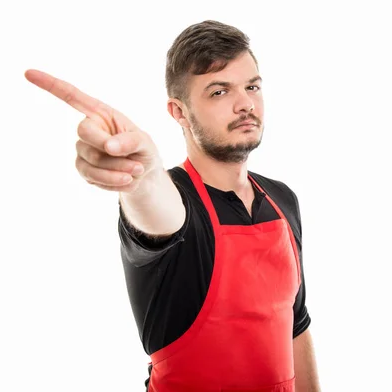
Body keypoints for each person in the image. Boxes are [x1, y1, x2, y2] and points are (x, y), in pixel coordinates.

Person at [25, 19, 320, 392]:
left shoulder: (282, 199)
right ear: (179, 112)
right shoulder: (176, 200)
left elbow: (296, 324)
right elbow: (155, 206)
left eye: (252, 86)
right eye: (219, 91)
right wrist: (140, 177)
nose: (245, 103)